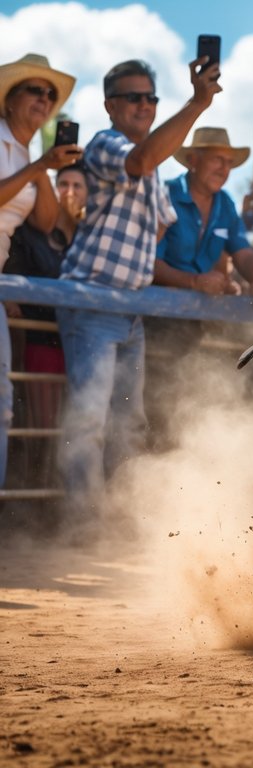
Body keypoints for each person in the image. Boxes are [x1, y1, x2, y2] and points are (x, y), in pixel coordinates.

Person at [59, 56, 220, 518]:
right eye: (134, 97)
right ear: (110, 106)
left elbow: (160, 228)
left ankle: (117, 522)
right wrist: (197, 103)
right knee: (90, 419)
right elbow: (143, 159)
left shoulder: (153, 170)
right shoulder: (106, 143)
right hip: (92, 300)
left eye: (151, 97)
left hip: (128, 307)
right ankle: (85, 522)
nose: (145, 104)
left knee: (128, 422)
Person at [0, 54, 81, 486]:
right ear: (9, 100)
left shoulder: (26, 153)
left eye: (50, 94)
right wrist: (38, 166)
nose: (45, 99)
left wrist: (43, 168)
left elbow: (46, 222)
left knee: (2, 402)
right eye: (35, 89)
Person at [154, 127, 253, 308]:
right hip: (156, 307)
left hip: (199, 310)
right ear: (193, 160)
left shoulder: (225, 205)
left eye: (229, 163)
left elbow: (244, 253)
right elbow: (149, 261)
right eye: (217, 159)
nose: (224, 170)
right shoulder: (165, 195)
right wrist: (195, 281)